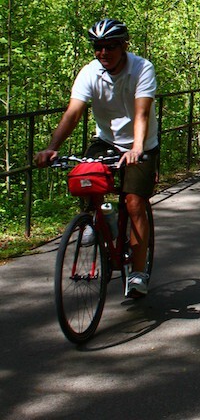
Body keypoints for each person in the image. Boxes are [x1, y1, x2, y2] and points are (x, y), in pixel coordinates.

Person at [34, 18, 159, 298]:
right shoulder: (90, 72)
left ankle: (138, 272)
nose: (103, 52)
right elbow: (73, 113)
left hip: (141, 144)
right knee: (87, 181)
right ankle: (101, 218)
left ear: (124, 45)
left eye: (110, 46)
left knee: (134, 201)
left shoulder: (142, 69)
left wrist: (137, 148)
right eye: (98, 47)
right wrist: (51, 147)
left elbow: (141, 114)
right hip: (106, 141)